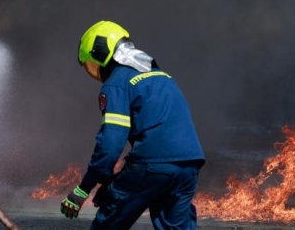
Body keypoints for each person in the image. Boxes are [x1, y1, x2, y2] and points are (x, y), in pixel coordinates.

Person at [60, 20, 205, 230]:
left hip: (152, 165)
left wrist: (84, 189)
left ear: (100, 53)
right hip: (189, 165)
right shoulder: (162, 77)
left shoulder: (117, 83)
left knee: (107, 226)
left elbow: (110, 145)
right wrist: (113, 182)